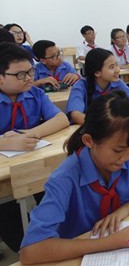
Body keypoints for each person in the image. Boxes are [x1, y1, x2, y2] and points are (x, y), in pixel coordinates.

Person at [19, 92, 129, 264]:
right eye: (118, 150)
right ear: (89, 141)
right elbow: (30, 252)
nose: (127, 157)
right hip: (75, 257)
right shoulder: (64, 178)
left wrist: (128, 208)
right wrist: (112, 242)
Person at [0, 44, 69, 253]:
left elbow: (61, 118)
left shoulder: (35, 94)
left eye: (30, 71)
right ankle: (22, 247)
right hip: (6, 171)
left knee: (51, 193)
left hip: (32, 158)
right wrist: (4, 142)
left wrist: (29, 134)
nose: (29, 77)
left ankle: (49, 240)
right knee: (9, 211)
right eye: (20, 74)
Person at [66, 48, 129, 124]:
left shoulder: (117, 83)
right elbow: (76, 115)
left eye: (116, 65)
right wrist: (106, 124)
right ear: (97, 73)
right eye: (111, 67)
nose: (117, 70)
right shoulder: (80, 87)